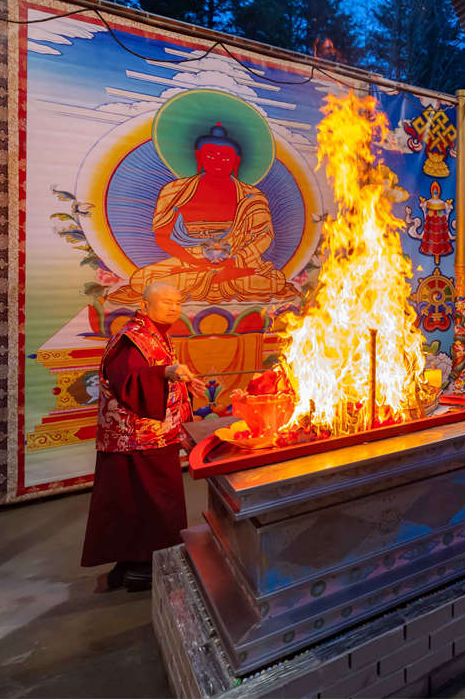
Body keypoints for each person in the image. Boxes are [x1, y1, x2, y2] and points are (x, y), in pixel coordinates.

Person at [81, 282, 207, 592]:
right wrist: (165, 374)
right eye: (166, 302)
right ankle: (148, 566)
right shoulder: (131, 338)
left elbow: (159, 374)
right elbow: (127, 380)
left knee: (140, 502)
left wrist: (183, 383)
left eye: (178, 302)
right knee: (152, 503)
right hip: (137, 439)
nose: (174, 308)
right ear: (144, 305)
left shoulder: (155, 334)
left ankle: (137, 565)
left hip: (152, 437)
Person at [108, 123, 299, 305]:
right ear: (199, 157)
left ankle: (219, 278)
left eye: (225, 157)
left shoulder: (252, 196)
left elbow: (264, 238)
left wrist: (235, 261)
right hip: (192, 260)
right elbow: (162, 236)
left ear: (236, 161)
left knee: (274, 280)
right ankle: (218, 280)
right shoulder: (175, 191)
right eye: (210, 155)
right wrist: (194, 261)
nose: (217, 161)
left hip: (236, 260)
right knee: (141, 279)